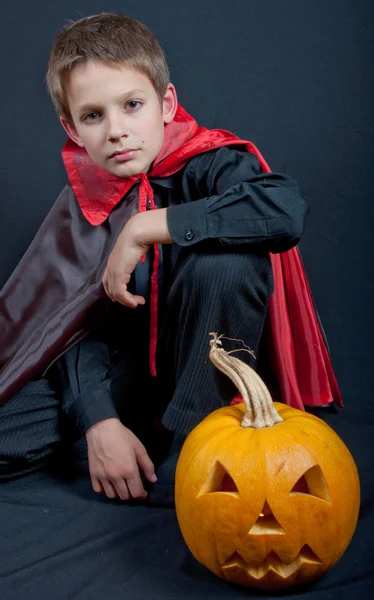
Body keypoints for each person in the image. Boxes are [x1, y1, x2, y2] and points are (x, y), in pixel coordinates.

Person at [0, 13, 340, 506]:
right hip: (129, 380)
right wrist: (99, 420)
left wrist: (147, 226)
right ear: (72, 128)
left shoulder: (213, 161)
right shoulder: (84, 202)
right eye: (93, 116)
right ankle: (123, 441)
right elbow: (68, 325)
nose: (116, 131)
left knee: (226, 262)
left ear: (166, 104)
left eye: (132, 105)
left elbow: (284, 210)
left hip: (207, 377)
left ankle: (192, 448)